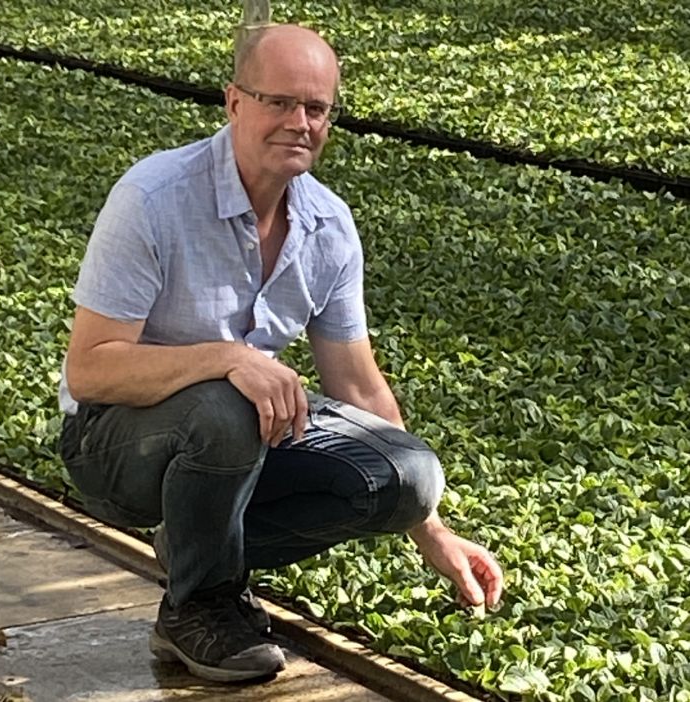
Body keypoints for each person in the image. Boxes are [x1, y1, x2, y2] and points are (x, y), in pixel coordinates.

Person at [58, 24, 503, 684]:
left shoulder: (328, 225)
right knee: (228, 402)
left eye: (316, 108)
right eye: (280, 102)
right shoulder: (153, 197)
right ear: (234, 101)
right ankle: (199, 607)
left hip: (236, 442)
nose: (300, 122)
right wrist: (225, 358)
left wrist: (429, 527)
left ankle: (192, 547)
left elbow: (357, 383)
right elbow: (90, 368)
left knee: (406, 474)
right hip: (114, 445)